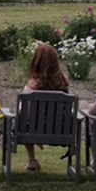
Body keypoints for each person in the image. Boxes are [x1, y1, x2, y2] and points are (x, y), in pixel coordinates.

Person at [20, 42, 71, 171]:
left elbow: (25, 112)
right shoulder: (63, 85)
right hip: (59, 130)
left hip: (33, 129)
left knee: (24, 123)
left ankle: (32, 160)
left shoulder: (32, 87)